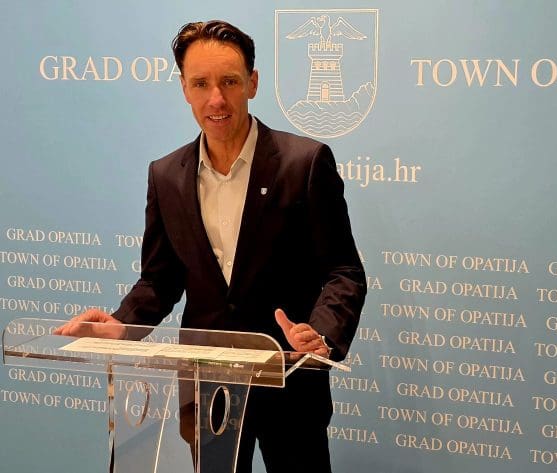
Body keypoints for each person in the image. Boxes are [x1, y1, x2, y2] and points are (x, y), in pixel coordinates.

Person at [56, 20, 366, 473]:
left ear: (252, 83)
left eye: (229, 82)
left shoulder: (305, 162)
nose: (216, 99)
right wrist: (123, 324)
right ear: (184, 88)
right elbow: (160, 279)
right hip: (206, 381)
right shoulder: (166, 175)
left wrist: (320, 333)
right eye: (201, 83)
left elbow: (344, 271)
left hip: (289, 376)